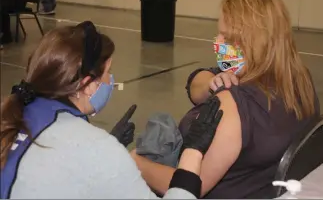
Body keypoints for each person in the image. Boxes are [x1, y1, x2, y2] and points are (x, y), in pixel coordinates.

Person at [0, 21, 224, 198]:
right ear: (87, 85)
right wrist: (192, 153)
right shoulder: (95, 147)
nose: (111, 81)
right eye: (108, 73)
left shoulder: (16, 112)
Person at [131, 0, 320, 199]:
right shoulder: (299, 82)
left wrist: (132, 162)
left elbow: (187, 187)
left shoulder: (233, 105)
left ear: (255, 43)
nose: (217, 42)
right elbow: (196, 83)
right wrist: (211, 82)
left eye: (228, 38)